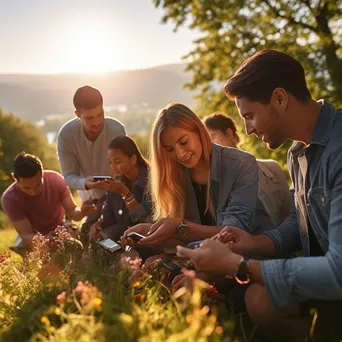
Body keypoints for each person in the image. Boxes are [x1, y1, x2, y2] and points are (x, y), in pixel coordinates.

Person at [177, 50, 342, 341]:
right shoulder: (297, 153)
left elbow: (338, 272)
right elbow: (299, 220)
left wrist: (238, 266)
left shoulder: (338, 152)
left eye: (250, 116)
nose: (248, 130)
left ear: (280, 98)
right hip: (324, 283)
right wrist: (251, 243)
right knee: (258, 300)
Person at [123, 102, 274, 247]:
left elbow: (233, 233)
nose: (180, 154)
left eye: (184, 142)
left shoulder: (241, 163)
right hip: (205, 259)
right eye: (170, 150)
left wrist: (179, 227)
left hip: (251, 262)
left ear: (199, 131)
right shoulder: (176, 174)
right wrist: (149, 231)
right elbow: (187, 242)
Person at [203, 112, 291, 227]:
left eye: (212, 136)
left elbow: (291, 214)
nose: (211, 145)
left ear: (229, 133)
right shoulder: (212, 184)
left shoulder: (271, 169)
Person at [1, 152, 96, 250]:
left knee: (77, 246)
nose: (33, 192)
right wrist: (46, 238)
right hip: (34, 236)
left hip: (59, 227)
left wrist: (82, 212)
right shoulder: (10, 199)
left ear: (42, 173)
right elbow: (26, 234)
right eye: (27, 188)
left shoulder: (56, 179)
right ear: (14, 178)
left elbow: (73, 212)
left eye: (38, 185)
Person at [57, 85, 126, 205]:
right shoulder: (66, 135)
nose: (96, 122)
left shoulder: (117, 130)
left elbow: (125, 167)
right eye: (89, 118)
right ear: (77, 114)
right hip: (87, 199)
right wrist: (85, 183)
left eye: (100, 114)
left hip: (116, 197)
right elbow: (68, 176)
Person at [89, 136, 151, 242]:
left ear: (133, 159)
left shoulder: (150, 181)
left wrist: (126, 194)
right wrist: (100, 223)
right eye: (110, 162)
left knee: (112, 235)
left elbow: (145, 219)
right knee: (100, 236)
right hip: (123, 234)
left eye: (117, 162)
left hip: (147, 234)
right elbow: (109, 214)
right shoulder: (117, 181)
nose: (113, 167)